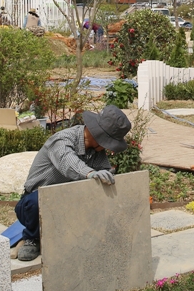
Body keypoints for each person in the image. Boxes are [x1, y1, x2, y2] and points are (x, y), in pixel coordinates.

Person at [14, 106, 132, 261]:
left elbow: (103, 170)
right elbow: (68, 162)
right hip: (36, 202)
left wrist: (108, 176)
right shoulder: (62, 140)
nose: (108, 148)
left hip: (68, 201)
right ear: (98, 136)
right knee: (36, 202)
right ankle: (32, 237)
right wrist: (90, 173)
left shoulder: (95, 151)